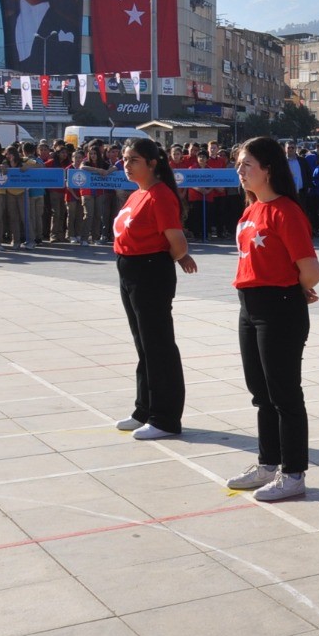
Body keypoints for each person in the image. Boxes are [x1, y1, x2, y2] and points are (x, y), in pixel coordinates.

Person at [226, 136, 319, 502]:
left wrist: (296, 287)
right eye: (239, 164)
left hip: (278, 306)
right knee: (260, 391)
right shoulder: (251, 210)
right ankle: (268, 462)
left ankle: (294, 472)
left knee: (284, 393)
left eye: (247, 164)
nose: (241, 171)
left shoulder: (286, 211)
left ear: (269, 169)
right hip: (249, 305)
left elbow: (311, 270)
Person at [112, 138, 198, 440]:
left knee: (158, 346)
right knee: (143, 345)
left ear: (152, 163)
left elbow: (177, 241)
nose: (126, 164)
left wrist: (180, 258)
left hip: (150, 271)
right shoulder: (138, 193)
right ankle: (144, 409)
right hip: (130, 270)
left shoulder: (159, 195)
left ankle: (165, 417)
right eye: (124, 158)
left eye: (133, 159)